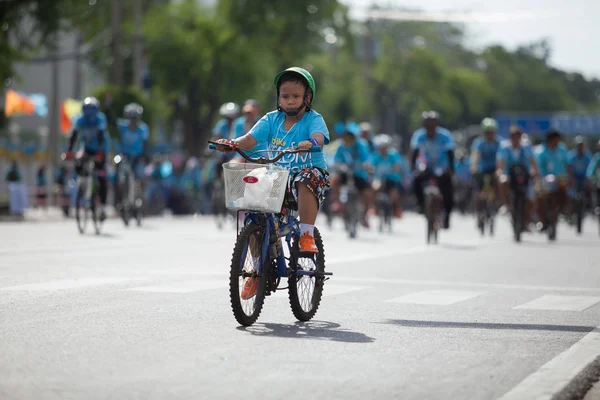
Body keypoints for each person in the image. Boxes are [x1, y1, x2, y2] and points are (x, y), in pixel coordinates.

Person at [214, 66, 330, 256]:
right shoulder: (270, 119)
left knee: (305, 177)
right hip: (277, 179)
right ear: (279, 97)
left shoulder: (313, 119)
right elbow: (250, 139)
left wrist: (310, 142)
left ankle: (307, 235)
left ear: (307, 98)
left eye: (296, 96)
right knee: (253, 185)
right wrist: (232, 144)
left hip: (309, 179)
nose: (290, 101)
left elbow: (319, 137)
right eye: (285, 97)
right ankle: (256, 268)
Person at [65, 96, 111, 221]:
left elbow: (101, 135)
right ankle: (82, 188)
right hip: (86, 148)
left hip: (101, 148)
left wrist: (100, 153)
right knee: (79, 162)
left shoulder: (100, 119)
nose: (89, 115)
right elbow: (74, 136)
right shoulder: (79, 120)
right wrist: (69, 152)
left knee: (102, 178)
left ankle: (102, 207)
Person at [410, 111, 455, 229]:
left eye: (432, 125)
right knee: (417, 180)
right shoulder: (419, 136)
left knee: (447, 189)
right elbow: (415, 152)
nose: (430, 128)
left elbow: (450, 152)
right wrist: (413, 166)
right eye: (428, 125)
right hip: (426, 165)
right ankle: (421, 204)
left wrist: (451, 168)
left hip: (441, 166)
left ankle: (447, 215)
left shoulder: (445, 136)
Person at [496, 126, 539, 230]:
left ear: (520, 137)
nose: (514, 139)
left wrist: (534, 171)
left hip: (524, 176)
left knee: (531, 200)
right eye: (512, 137)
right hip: (510, 176)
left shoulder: (526, 147)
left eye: (517, 137)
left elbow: (533, 162)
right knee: (503, 181)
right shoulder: (504, 147)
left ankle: (526, 220)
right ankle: (507, 204)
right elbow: (500, 163)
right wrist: (500, 172)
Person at [332, 122, 374, 227]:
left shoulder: (362, 144)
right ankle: (337, 202)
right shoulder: (342, 145)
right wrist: (339, 166)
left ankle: (364, 215)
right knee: (335, 181)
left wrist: (366, 165)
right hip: (346, 172)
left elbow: (366, 158)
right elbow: (337, 159)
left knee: (367, 193)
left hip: (359, 174)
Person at [115, 103, 149, 208]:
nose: (133, 121)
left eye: (135, 118)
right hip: (125, 156)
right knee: (119, 176)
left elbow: (145, 143)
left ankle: (142, 197)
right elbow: (111, 121)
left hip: (138, 157)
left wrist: (144, 156)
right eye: (131, 118)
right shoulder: (122, 126)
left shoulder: (143, 129)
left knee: (140, 175)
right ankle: (120, 200)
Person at [535, 128, 569, 230]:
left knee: (565, 191)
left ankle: (563, 210)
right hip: (544, 179)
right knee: (538, 196)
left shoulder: (562, 149)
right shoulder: (540, 151)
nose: (557, 142)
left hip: (560, 178)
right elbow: (538, 167)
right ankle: (542, 219)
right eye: (556, 139)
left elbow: (567, 164)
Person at [470, 118, 501, 212]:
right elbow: (476, 155)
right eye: (487, 132)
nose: (489, 134)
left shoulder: (499, 143)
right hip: (482, 169)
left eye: (491, 132)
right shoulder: (479, 143)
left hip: (495, 169)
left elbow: (502, 157)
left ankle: (498, 202)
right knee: (479, 188)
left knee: (498, 183)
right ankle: (479, 207)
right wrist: (473, 167)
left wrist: (500, 170)